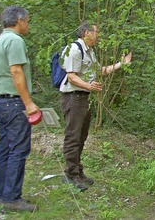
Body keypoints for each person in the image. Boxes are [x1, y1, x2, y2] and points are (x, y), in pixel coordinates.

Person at [60, 21, 132, 191]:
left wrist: (121, 64)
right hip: (73, 97)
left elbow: (100, 71)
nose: (97, 35)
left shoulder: (89, 52)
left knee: (82, 136)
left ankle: (77, 171)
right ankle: (71, 175)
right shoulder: (74, 50)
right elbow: (71, 76)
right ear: (86, 32)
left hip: (84, 98)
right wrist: (88, 86)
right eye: (95, 32)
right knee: (73, 136)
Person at [0, 5, 38, 213]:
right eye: (27, 20)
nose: (28, 24)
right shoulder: (15, 40)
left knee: (4, 149)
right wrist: (29, 103)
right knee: (18, 149)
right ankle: (12, 198)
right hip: (13, 103)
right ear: (19, 21)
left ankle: (2, 195)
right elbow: (16, 71)